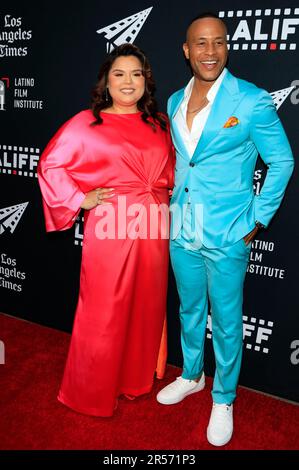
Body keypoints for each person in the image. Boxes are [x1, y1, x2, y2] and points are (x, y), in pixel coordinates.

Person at [157, 13, 294, 446]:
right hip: (183, 226)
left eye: (217, 42)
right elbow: (186, 163)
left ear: (227, 47)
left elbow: (282, 160)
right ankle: (193, 375)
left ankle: (224, 397)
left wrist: (258, 217)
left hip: (229, 230)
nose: (210, 51)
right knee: (189, 309)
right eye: (201, 43)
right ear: (187, 50)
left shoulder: (251, 100)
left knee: (228, 320)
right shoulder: (175, 99)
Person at [38, 43, 174, 417]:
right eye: (119, 74)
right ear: (107, 81)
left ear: (146, 81)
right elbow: (50, 165)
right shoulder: (87, 123)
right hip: (110, 227)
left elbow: (175, 175)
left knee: (146, 305)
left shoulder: (160, 123)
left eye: (136, 74)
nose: (128, 82)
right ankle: (90, 388)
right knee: (103, 308)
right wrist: (79, 200)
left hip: (154, 226)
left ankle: (133, 380)